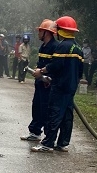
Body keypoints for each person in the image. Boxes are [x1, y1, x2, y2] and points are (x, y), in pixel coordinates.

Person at [31, 16, 83, 152]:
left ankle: (48, 143)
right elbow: (80, 71)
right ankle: (63, 143)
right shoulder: (78, 48)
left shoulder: (62, 47)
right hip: (71, 87)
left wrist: (42, 71)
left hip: (59, 86)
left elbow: (55, 65)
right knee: (67, 116)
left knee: (54, 114)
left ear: (61, 31)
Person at [21, 19, 58, 141]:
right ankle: (35, 131)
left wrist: (42, 72)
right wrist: (37, 70)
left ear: (46, 32)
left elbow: (55, 65)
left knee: (45, 108)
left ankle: (48, 138)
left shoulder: (55, 46)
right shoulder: (43, 46)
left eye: (40, 31)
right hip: (40, 82)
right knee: (36, 106)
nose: (38, 34)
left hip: (47, 83)